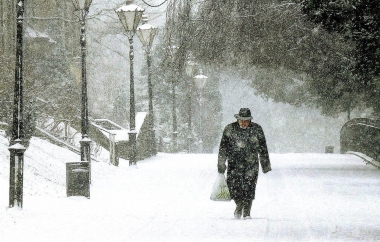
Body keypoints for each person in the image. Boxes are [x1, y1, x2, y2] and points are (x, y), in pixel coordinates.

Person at [217, 108, 271, 219]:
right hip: (234, 163)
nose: (243, 123)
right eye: (241, 120)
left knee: (249, 187)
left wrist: (265, 164)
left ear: (250, 120)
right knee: (233, 186)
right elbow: (223, 148)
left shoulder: (257, 129)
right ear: (237, 119)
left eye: (246, 120)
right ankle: (239, 205)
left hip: (251, 163)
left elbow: (263, 148)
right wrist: (221, 163)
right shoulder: (229, 129)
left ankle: (247, 211)